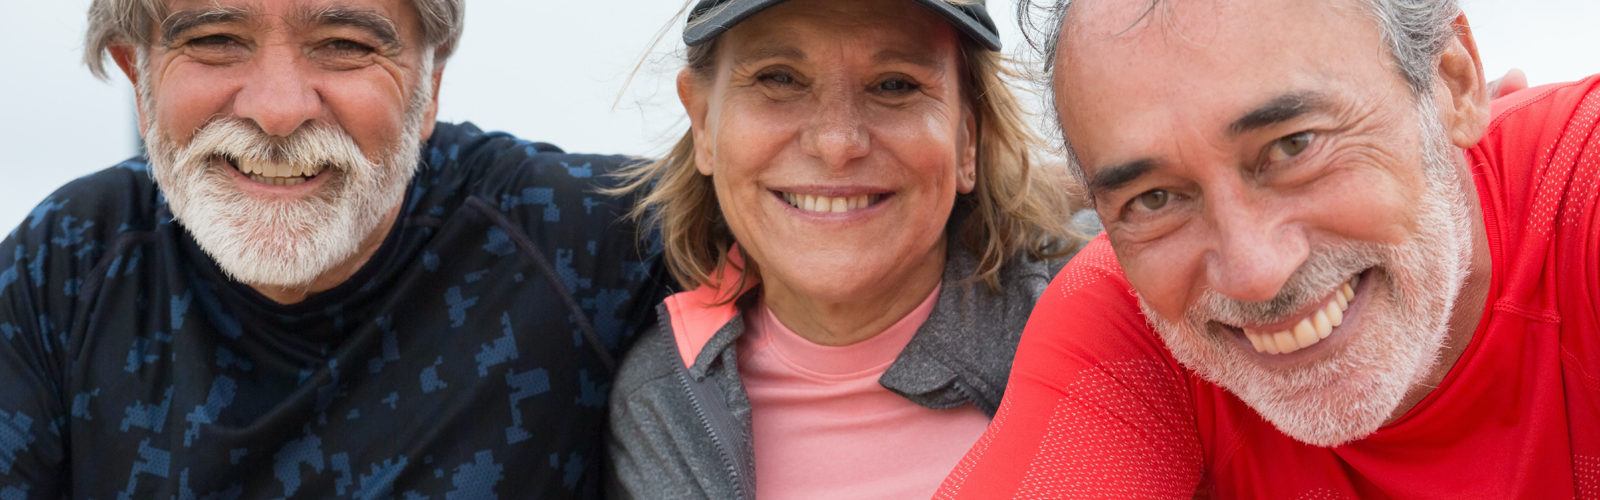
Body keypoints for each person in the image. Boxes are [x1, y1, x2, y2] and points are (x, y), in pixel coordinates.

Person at [0, 0, 669, 497]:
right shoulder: (63, 267)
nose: (277, 110)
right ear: (138, 79)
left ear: (429, 84)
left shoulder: (585, 240)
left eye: (344, 45)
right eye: (215, 41)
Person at [934, 0, 1599, 497]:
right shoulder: (1123, 319)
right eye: (1155, 199)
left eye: (1293, 146)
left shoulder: (1581, 185)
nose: (1253, 272)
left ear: (1451, 82)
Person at [605, 0, 1085, 498]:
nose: (837, 144)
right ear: (703, 122)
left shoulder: (1107, 318)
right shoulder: (658, 405)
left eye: (894, 84)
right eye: (779, 79)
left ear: (968, 137)